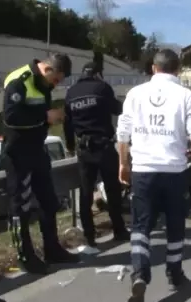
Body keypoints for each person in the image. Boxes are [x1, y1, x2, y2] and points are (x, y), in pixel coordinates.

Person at [116, 49, 191, 302]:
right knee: (175, 224)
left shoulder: (135, 94)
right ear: (177, 70)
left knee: (141, 227)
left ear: (153, 69)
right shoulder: (186, 96)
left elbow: (123, 133)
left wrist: (123, 164)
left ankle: (139, 275)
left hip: (143, 170)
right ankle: (175, 273)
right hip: (174, 172)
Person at [2, 54, 80, 274]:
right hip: (18, 152)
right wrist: (46, 116)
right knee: (20, 206)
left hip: (37, 149)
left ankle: (52, 249)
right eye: (55, 80)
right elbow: (11, 116)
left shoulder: (42, 83)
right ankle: (25, 256)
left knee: (48, 201)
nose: (55, 85)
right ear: (47, 69)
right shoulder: (20, 80)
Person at [64, 62, 129, 249]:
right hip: (104, 146)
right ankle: (119, 229)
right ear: (98, 74)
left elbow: (67, 123)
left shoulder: (71, 92)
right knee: (112, 190)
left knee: (86, 194)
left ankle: (89, 236)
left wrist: (70, 145)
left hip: (83, 150)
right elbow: (118, 109)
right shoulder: (102, 88)